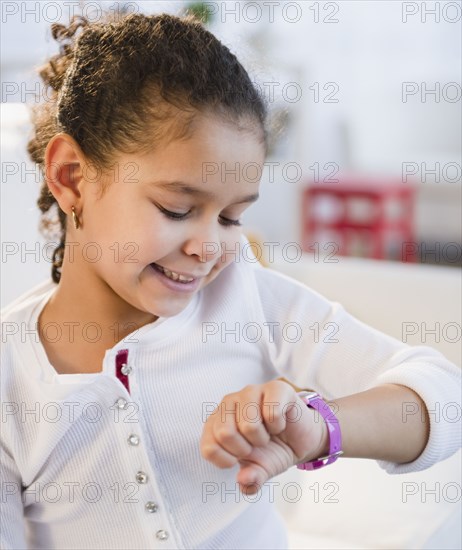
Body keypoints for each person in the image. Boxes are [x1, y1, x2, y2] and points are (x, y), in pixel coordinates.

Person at [1, 11, 460, 550]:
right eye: (177, 208)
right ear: (72, 178)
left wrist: (318, 428)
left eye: (231, 218)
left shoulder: (243, 299)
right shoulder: (12, 375)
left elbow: (440, 397)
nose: (208, 247)